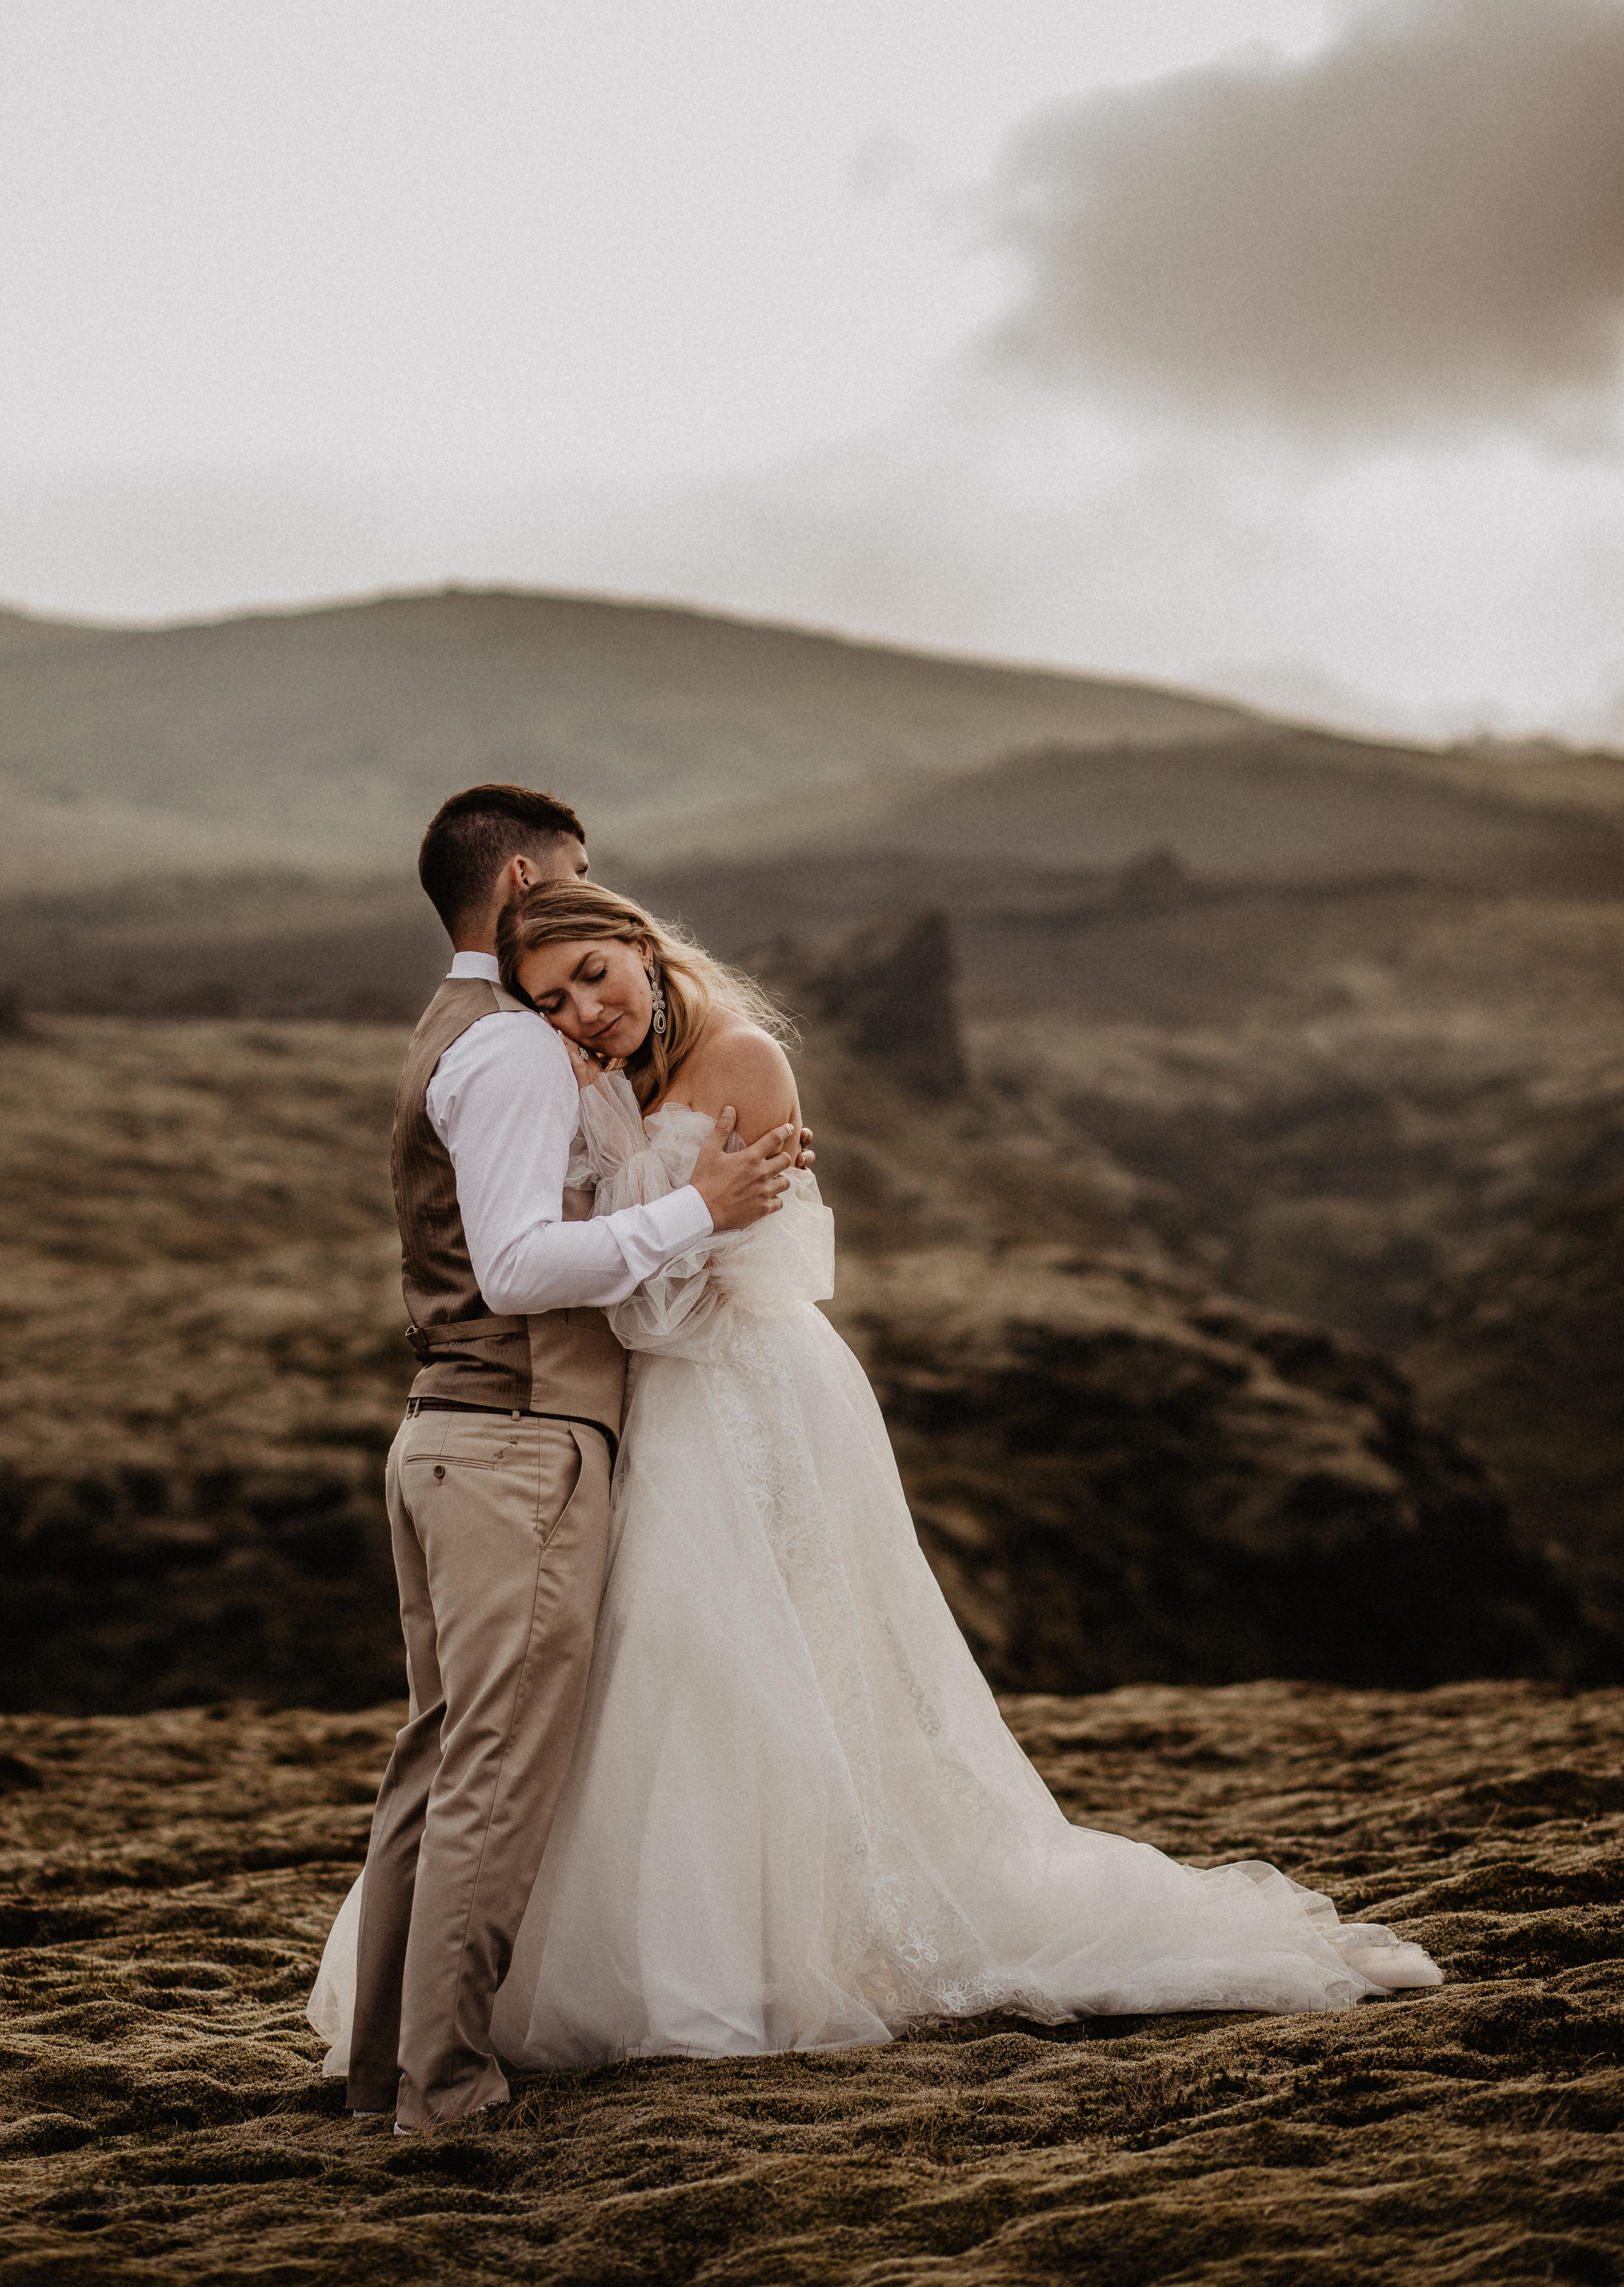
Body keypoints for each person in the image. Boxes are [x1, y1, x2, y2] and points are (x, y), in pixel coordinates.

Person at [313, 877, 1439, 2078]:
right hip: (660, 1404)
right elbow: (617, 1264)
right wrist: (650, 1185)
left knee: (750, 1655)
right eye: (552, 1001)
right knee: (667, 1664)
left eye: (596, 975)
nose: (585, 1011)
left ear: (641, 947)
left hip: (746, 1391)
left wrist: (670, 1213)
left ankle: (776, 1953)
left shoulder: (742, 1058)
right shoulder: (605, 1084)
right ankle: (648, 1952)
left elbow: (724, 1280)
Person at [334, 790, 800, 2134]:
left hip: (450, 1438)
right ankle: (447, 2092)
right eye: (581, 883)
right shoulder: (519, 1054)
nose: (596, 910)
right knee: (494, 1774)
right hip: (517, 1449)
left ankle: (386, 2078)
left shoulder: (459, 1036)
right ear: (529, 876)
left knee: (438, 1763)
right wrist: (695, 1208)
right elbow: (523, 1265)